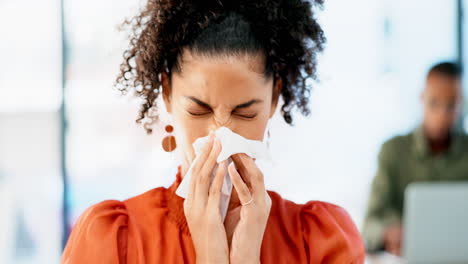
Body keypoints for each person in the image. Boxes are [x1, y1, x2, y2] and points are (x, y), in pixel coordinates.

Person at [61, 0, 365, 263]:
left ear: (274, 98)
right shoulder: (113, 242)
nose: (221, 136)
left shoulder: (318, 242)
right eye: (199, 110)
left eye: (245, 112)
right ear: (166, 93)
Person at [362, 62, 468, 256]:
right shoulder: (393, 151)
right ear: (422, 98)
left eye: (451, 105)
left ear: (462, 103)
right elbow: (370, 223)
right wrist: (388, 233)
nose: (443, 114)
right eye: (434, 102)